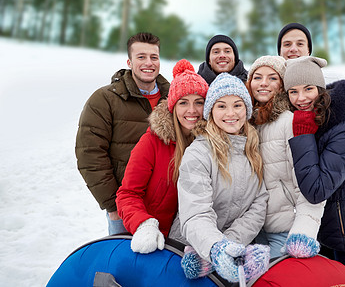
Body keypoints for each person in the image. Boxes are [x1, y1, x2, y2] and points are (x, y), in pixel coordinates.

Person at [284, 56, 345, 286]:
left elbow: (316, 190)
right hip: (326, 233)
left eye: (308, 89)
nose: (301, 98)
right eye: (293, 91)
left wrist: (303, 136)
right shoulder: (316, 119)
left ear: (321, 89)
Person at [177, 73, 270, 283]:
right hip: (190, 251)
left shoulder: (252, 150)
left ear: (246, 109)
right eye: (221, 106)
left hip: (229, 253)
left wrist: (229, 246)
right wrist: (215, 248)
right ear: (210, 112)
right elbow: (195, 213)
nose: (230, 113)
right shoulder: (199, 153)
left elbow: (258, 204)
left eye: (237, 105)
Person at [75, 32, 170, 235]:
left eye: (154, 57)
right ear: (129, 61)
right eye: (141, 57)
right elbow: (90, 154)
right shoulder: (104, 99)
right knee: (126, 262)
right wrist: (112, 205)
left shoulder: (172, 99)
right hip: (125, 208)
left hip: (169, 207)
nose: (149, 63)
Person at [115, 59, 208, 254]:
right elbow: (128, 193)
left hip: (192, 243)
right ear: (173, 107)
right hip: (154, 239)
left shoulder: (210, 144)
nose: (192, 111)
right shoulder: (152, 142)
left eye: (198, 102)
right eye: (183, 102)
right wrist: (144, 224)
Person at [246, 55, 325, 259]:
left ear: (282, 87)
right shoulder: (243, 123)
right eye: (257, 77)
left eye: (272, 78)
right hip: (252, 229)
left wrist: (302, 232)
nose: (264, 83)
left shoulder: (290, 122)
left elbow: (309, 184)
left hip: (285, 230)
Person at [277, 22, 345, 139]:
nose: (293, 49)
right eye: (287, 44)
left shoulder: (332, 80)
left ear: (308, 50)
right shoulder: (273, 85)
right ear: (279, 51)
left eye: (300, 44)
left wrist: (339, 150)